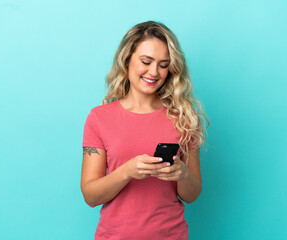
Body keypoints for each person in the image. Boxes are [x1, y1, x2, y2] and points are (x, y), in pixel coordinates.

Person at [81, 20, 209, 240]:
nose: (154, 72)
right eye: (146, 61)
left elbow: (192, 194)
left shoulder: (185, 118)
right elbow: (91, 196)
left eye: (163, 64)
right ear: (127, 59)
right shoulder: (99, 118)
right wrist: (127, 171)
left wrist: (182, 174)